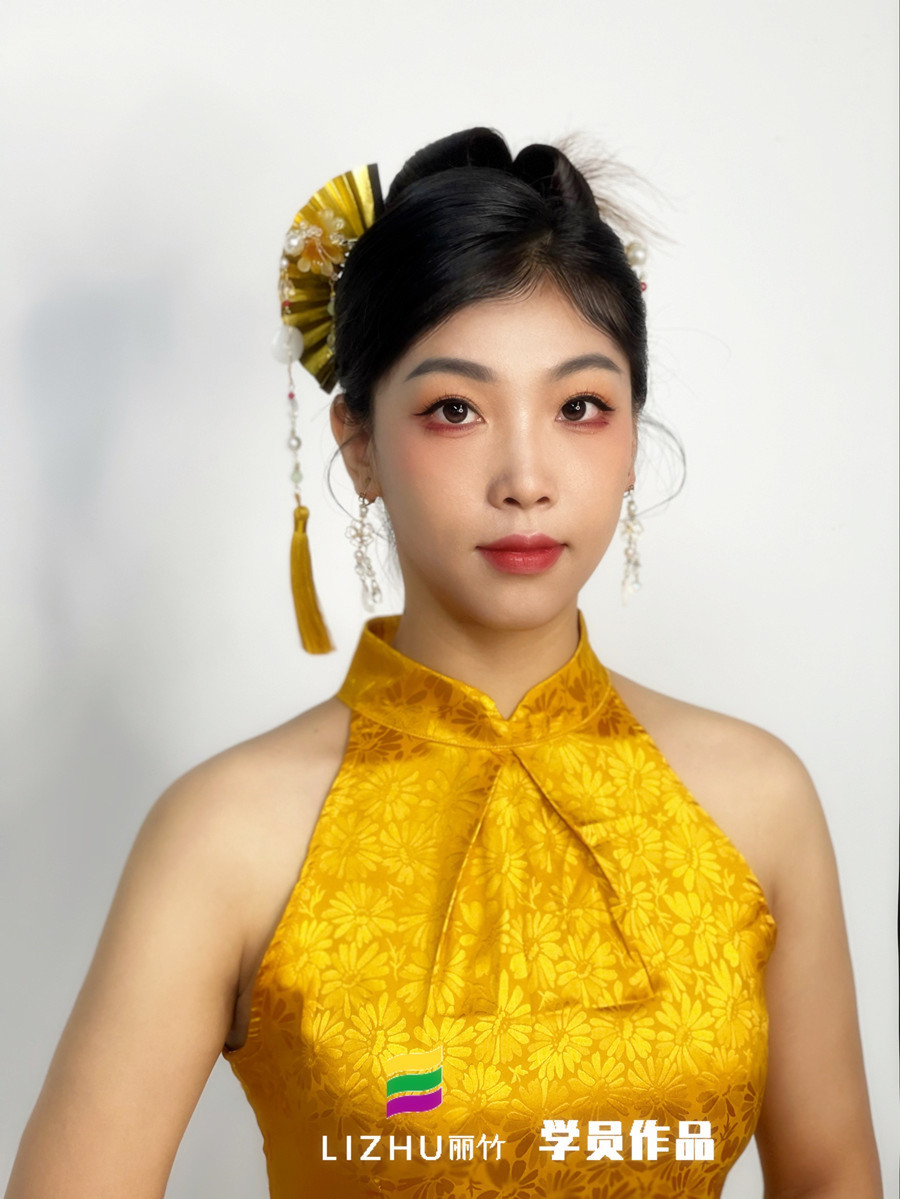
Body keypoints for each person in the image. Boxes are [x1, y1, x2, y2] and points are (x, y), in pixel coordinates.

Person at [4, 127, 882, 1199]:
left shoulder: (757, 798)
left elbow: (832, 1174)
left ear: (631, 438)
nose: (526, 476)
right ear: (358, 443)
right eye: (454, 409)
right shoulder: (226, 832)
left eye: (580, 407)